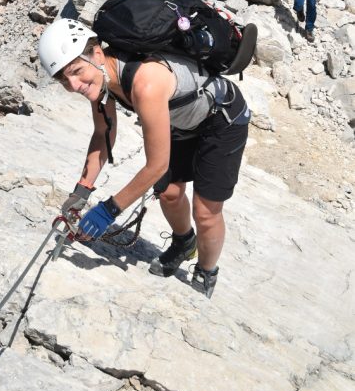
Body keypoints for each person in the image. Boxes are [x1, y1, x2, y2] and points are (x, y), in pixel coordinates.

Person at [38, 18, 251, 298]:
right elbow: (103, 133)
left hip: (222, 119)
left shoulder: (145, 83)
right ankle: (185, 242)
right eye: (64, 79)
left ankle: (206, 271)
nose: (75, 84)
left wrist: (109, 210)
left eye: (76, 71)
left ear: (97, 54)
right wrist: (82, 190)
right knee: (169, 193)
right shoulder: (100, 77)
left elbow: (157, 165)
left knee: (205, 211)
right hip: (182, 119)